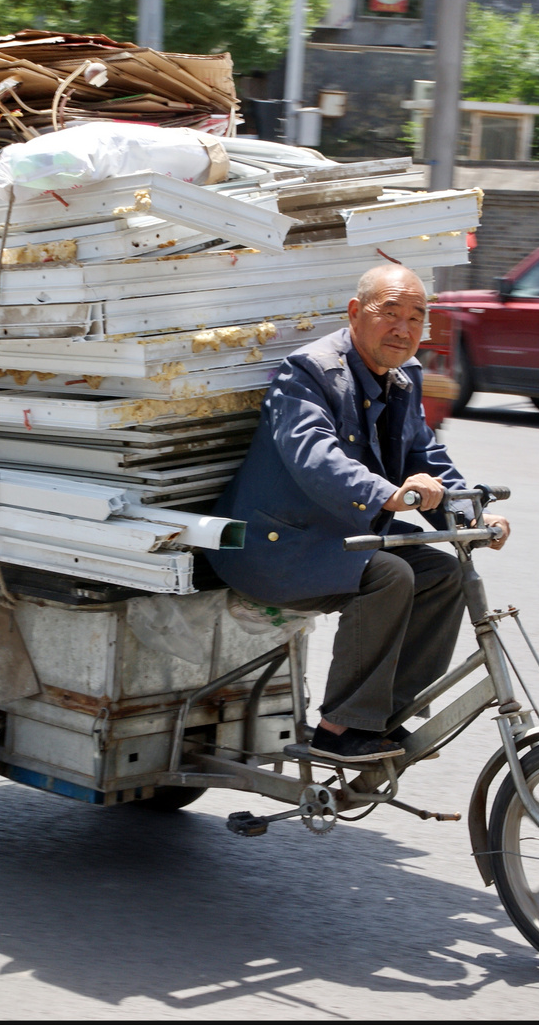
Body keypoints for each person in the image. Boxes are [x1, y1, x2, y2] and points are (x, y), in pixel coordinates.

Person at [209, 264, 510, 763]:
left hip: (343, 541)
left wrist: (471, 518)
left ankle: (381, 716)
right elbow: (314, 457)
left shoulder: (403, 376)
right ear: (355, 313)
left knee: (442, 570)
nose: (403, 328)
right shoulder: (308, 373)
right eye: (389, 313)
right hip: (275, 547)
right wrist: (388, 495)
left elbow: (425, 458)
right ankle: (340, 727)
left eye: (416, 317)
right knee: (389, 574)